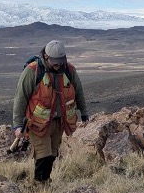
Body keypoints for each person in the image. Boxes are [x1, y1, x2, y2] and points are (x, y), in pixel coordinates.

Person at [12, 40, 89, 183]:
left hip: (59, 122)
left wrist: (84, 113)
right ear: (46, 57)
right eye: (55, 61)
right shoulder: (33, 71)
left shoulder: (69, 70)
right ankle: (39, 185)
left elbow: (79, 92)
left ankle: (45, 182)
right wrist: (17, 125)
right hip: (38, 124)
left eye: (61, 60)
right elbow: (20, 98)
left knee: (52, 154)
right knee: (43, 155)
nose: (58, 64)